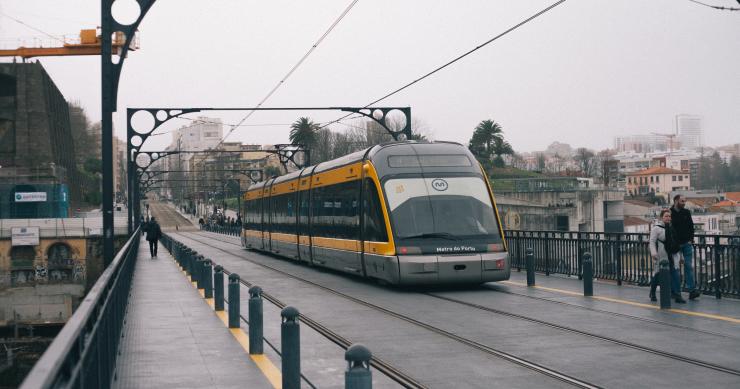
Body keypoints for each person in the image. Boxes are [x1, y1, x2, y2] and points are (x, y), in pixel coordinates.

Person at [649, 209, 685, 303]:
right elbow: (652, 242)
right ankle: (652, 292)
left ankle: (677, 295)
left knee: (676, 275)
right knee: (657, 275)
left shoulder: (673, 228)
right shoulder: (656, 228)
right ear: (662, 217)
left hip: (673, 255)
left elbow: (677, 243)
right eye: (666, 216)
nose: (668, 218)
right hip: (661, 255)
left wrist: (681, 256)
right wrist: (653, 253)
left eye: (669, 216)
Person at [671, 195, 700, 300]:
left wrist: (691, 239)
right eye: (682, 201)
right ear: (675, 201)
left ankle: (692, 291)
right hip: (676, 245)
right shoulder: (670, 213)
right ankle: (675, 291)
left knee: (689, 266)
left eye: (685, 201)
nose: (684, 203)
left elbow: (691, 226)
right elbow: (670, 229)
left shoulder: (686, 212)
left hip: (686, 244)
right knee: (676, 268)